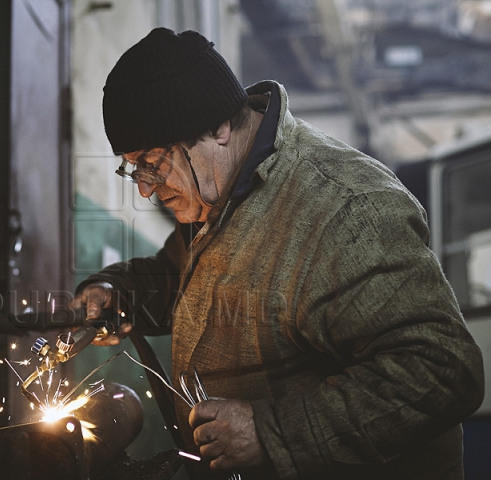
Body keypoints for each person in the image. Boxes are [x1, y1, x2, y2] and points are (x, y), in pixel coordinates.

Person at [70, 27, 485, 480]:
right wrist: (117, 293)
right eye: (133, 169)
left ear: (219, 128)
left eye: (152, 162)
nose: (146, 187)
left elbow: (440, 372)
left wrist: (271, 433)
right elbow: (180, 278)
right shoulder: (217, 196)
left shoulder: (343, 208)